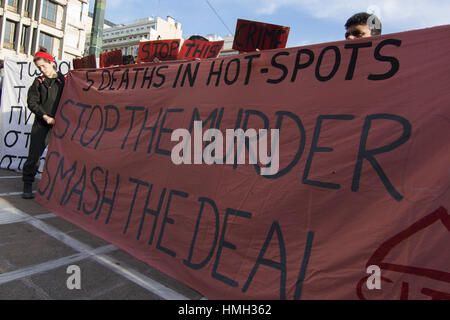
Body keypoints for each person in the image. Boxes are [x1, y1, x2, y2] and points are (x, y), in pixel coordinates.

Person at [22, 47, 65, 199]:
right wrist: (45, 116)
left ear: (51, 62)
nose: (41, 70)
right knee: (34, 156)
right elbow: (32, 102)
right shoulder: (38, 82)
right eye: (39, 67)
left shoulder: (64, 81)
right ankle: (27, 184)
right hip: (42, 124)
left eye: (43, 66)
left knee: (60, 158)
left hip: (60, 126)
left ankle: (57, 187)